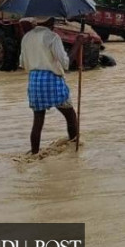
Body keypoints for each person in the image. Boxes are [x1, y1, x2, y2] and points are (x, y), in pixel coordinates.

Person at [19, 17, 82, 155]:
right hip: (52, 79)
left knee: (38, 120)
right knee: (70, 116)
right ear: (50, 22)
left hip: (34, 80)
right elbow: (66, 63)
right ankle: (74, 147)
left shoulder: (26, 38)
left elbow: (23, 63)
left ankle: (34, 154)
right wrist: (78, 44)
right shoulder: (52, 37)